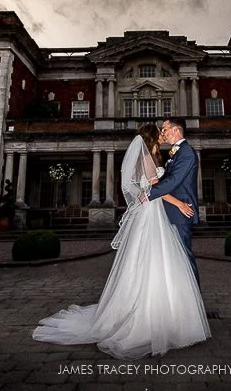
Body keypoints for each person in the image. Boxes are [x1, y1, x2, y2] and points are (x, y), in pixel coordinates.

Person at [32, 124, 210, 360]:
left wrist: (163, 196)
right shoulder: (149, 160)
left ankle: (176, 311)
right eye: (160, 132)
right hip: (154, 213)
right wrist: (177, 203)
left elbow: (163, 183)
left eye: (166, 130)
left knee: (163, 260)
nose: (163, 134)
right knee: (158, 260)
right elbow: (155, 187)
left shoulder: (169, 155)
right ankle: (158, 315)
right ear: (153, 138)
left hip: (157, 212)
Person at [146, 117, 201, 286]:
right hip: (171, 210)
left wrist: (148, 193)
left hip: (181, 211)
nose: (162, 133)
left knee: (184, 256)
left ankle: (194, 302)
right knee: (175, 259)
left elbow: (174, 181)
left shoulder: (186, 152)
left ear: (176, 129)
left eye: (165, 129)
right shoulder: (175, 152)